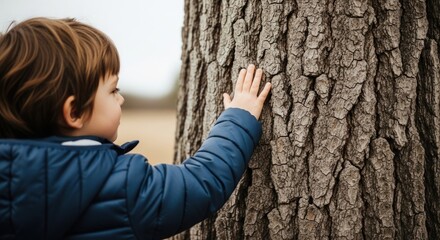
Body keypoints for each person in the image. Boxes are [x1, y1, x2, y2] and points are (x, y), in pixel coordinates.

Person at [0, 17, 271, 239]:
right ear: (74, 112)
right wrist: (238, 117)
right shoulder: (120, 188)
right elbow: (199, 183)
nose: (121, 98)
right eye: (113, 89)